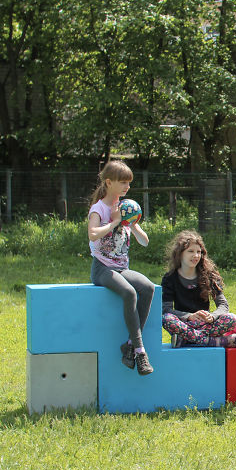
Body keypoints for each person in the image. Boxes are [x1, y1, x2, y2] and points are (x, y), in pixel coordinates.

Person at [87, 160, 154, 375]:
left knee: (148, 287)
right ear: (109, 182)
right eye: (123, 182)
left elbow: (145, 242)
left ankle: (129, 345)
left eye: (129, 183)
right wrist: (115, 222)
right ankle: (140, 351)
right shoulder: (99, 209)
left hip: (121, 268)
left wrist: (132, 224)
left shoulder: (126, 208)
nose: (127, 187)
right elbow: (92, 234)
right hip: (102, 268)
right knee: (129, 292)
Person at [161, 230, 236, 348]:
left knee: (232, 318)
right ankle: (214, 342)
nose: (196, 256)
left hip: (206, 324)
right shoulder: (170, 278)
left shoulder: (208, 275)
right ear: (180, 253)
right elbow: (166, 309)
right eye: (191, 251)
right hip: (184, 324)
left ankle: (187, 340)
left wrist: (212, 316)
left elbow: (223, 305)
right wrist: (189, 316)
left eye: (199, 252)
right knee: (166, 319)